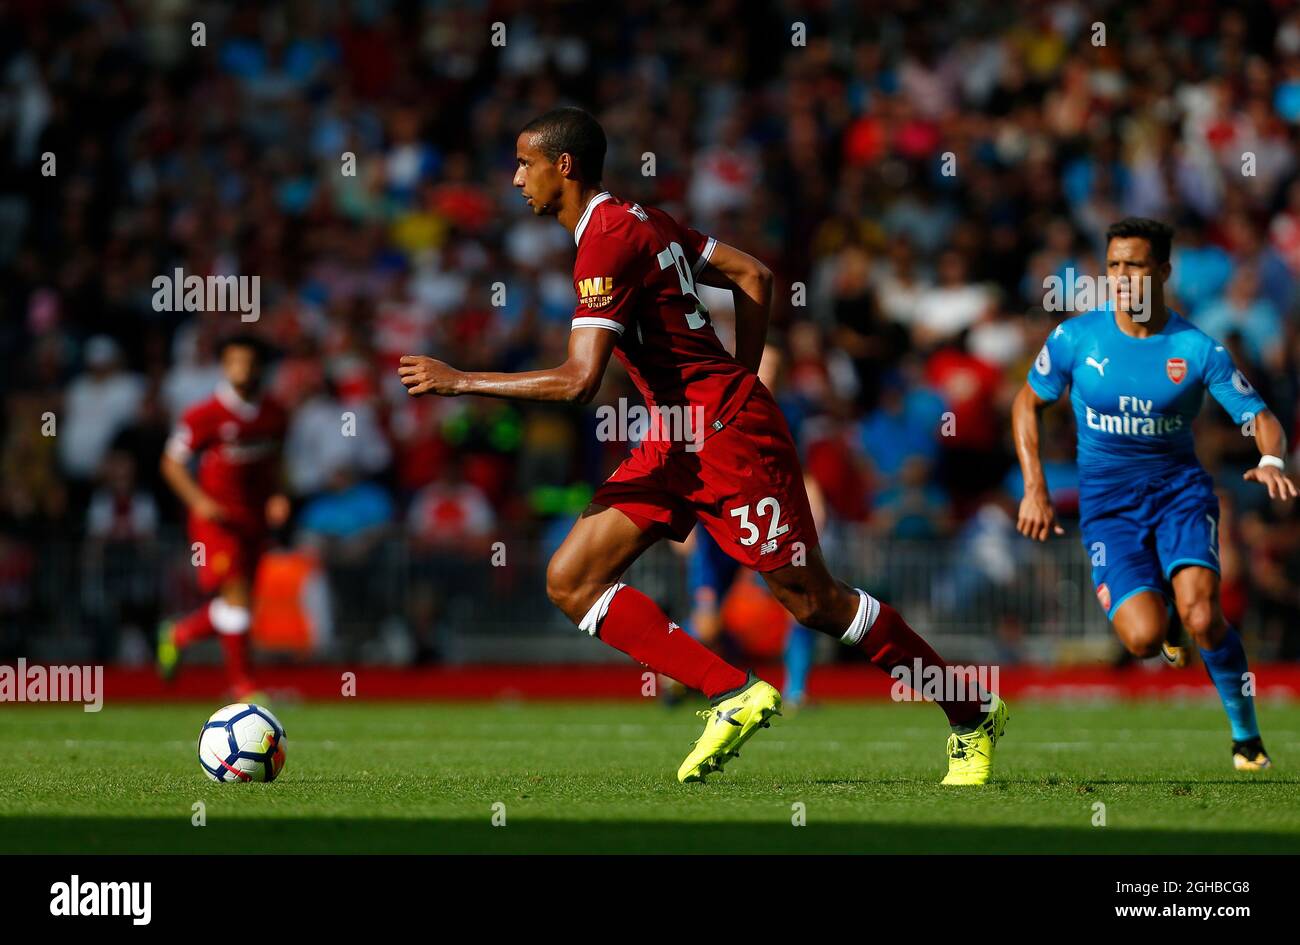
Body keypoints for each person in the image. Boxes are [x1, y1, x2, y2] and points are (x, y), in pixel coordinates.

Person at [399, 107, 1006, 785]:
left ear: (561, 165)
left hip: (725, 435)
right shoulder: (644, 218)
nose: (515, 179)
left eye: (523, 163)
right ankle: (731, 689)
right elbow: (754, 276)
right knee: (571, 578)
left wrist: (461, 381)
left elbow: (578, 382)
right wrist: (742, 377)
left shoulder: (605, 240)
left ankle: (969, 709)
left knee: (815, 602)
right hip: (674, 432)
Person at [1012, 217, 1296, 771]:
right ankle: (1162, 620)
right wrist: (1035, 488)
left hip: (1179, 496)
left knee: (1204, 616)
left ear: (1162, 271)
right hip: (1108, 508)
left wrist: (1271, 459)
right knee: (1142, 640)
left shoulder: (1195, 348)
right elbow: (1026, 403)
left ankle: (1246, 736)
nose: (1121, 277)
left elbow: (1259, 416)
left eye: (1135, 265)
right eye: (1114, 265)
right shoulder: (1075, 337)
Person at [157, 335, 290, 699]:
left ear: (261, 367)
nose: (242, 370)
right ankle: (243, 685)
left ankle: (179, 633)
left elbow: (276, 461)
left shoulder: (275, 413)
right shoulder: (204, 415)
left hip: (254, 519)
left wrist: (278, 494)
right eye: (234, 362)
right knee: (236, 595)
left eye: (248, 363)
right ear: (223, 366)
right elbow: (171, 463)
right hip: (216, 520)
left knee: (240, 603)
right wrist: (199, 501)